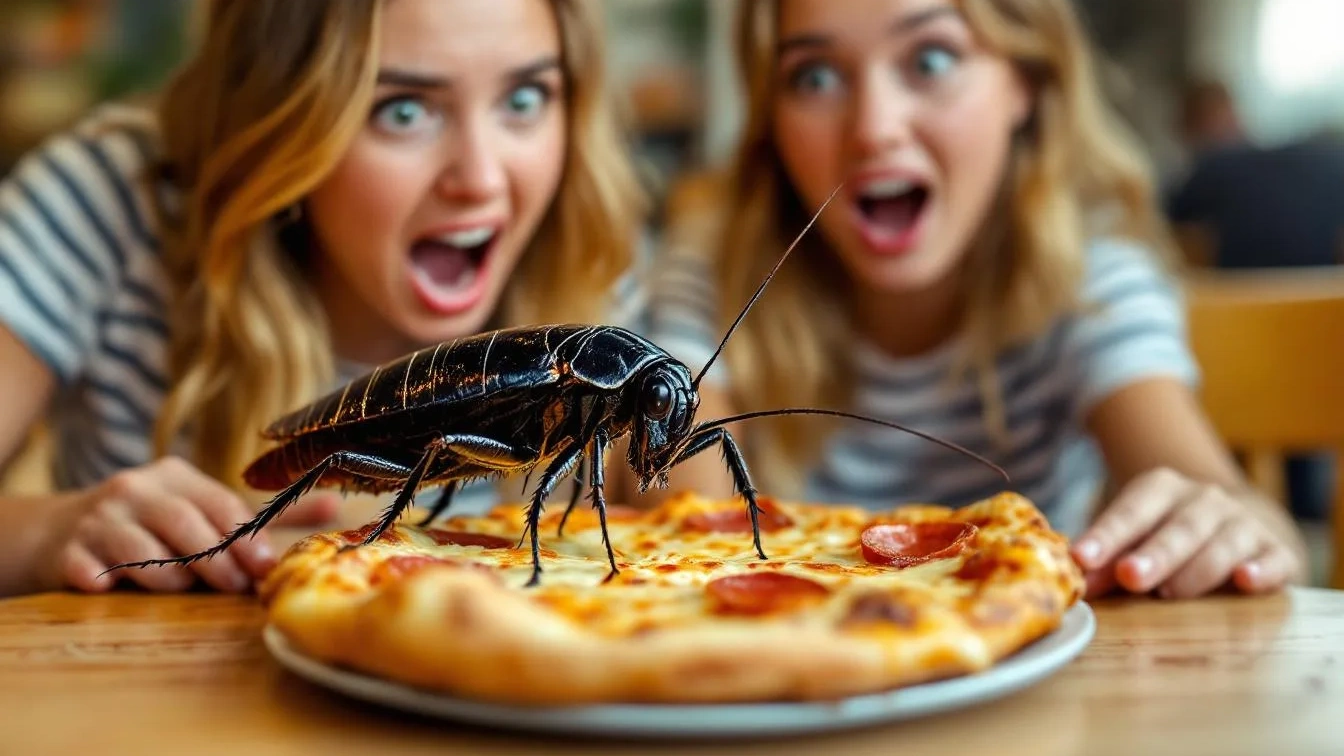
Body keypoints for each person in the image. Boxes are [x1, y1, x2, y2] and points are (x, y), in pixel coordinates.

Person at [643, 0, 1308, 600]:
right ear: (772, 116)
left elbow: (1217, 496)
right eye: (814, 77)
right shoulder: (714, 273)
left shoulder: (1089, 280)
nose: (874, 128)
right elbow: (696, 530)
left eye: (931, 60)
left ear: (1025, 82)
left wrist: (1232, 527)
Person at [0, 0, 647, 597]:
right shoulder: (110, 199)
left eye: (526, 98)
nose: (480, 179)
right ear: (282, 114)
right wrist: (48, 532)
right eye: (403, 110)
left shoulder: (586, 243)